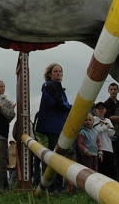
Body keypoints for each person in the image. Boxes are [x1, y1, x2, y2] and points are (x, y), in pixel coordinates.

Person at [35, 63, 72, 192]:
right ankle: (51, 187)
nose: (58, 73)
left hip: (58, 126)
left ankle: (57, 185)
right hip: (51, 127)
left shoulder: (59, 88)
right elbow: (57, 103)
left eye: (60, 71)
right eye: (55, 71)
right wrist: (70, 107)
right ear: (50, 74)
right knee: (53, 156)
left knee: (58, 156)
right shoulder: (49, 86)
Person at [103, 82, 119, 182]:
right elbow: (109, 118)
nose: (113, 91)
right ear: (108, 91)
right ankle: (113, 178)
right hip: (111, 134)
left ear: (118, 91)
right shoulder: (106, 104)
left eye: (115, 89)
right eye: (111, 89)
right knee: (113, 157)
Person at [93, 102, 116, 179]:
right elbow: (96, 130)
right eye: (99, 108)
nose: (101, 110)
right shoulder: (94, 119)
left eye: (102, 108)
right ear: (95, 110)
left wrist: (104, 127)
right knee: (101, 169)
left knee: (110, 169)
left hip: (108, 147)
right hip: (99, 148)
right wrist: (106, 127)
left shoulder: (108, 120)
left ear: (105, 110)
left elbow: (112, 132)